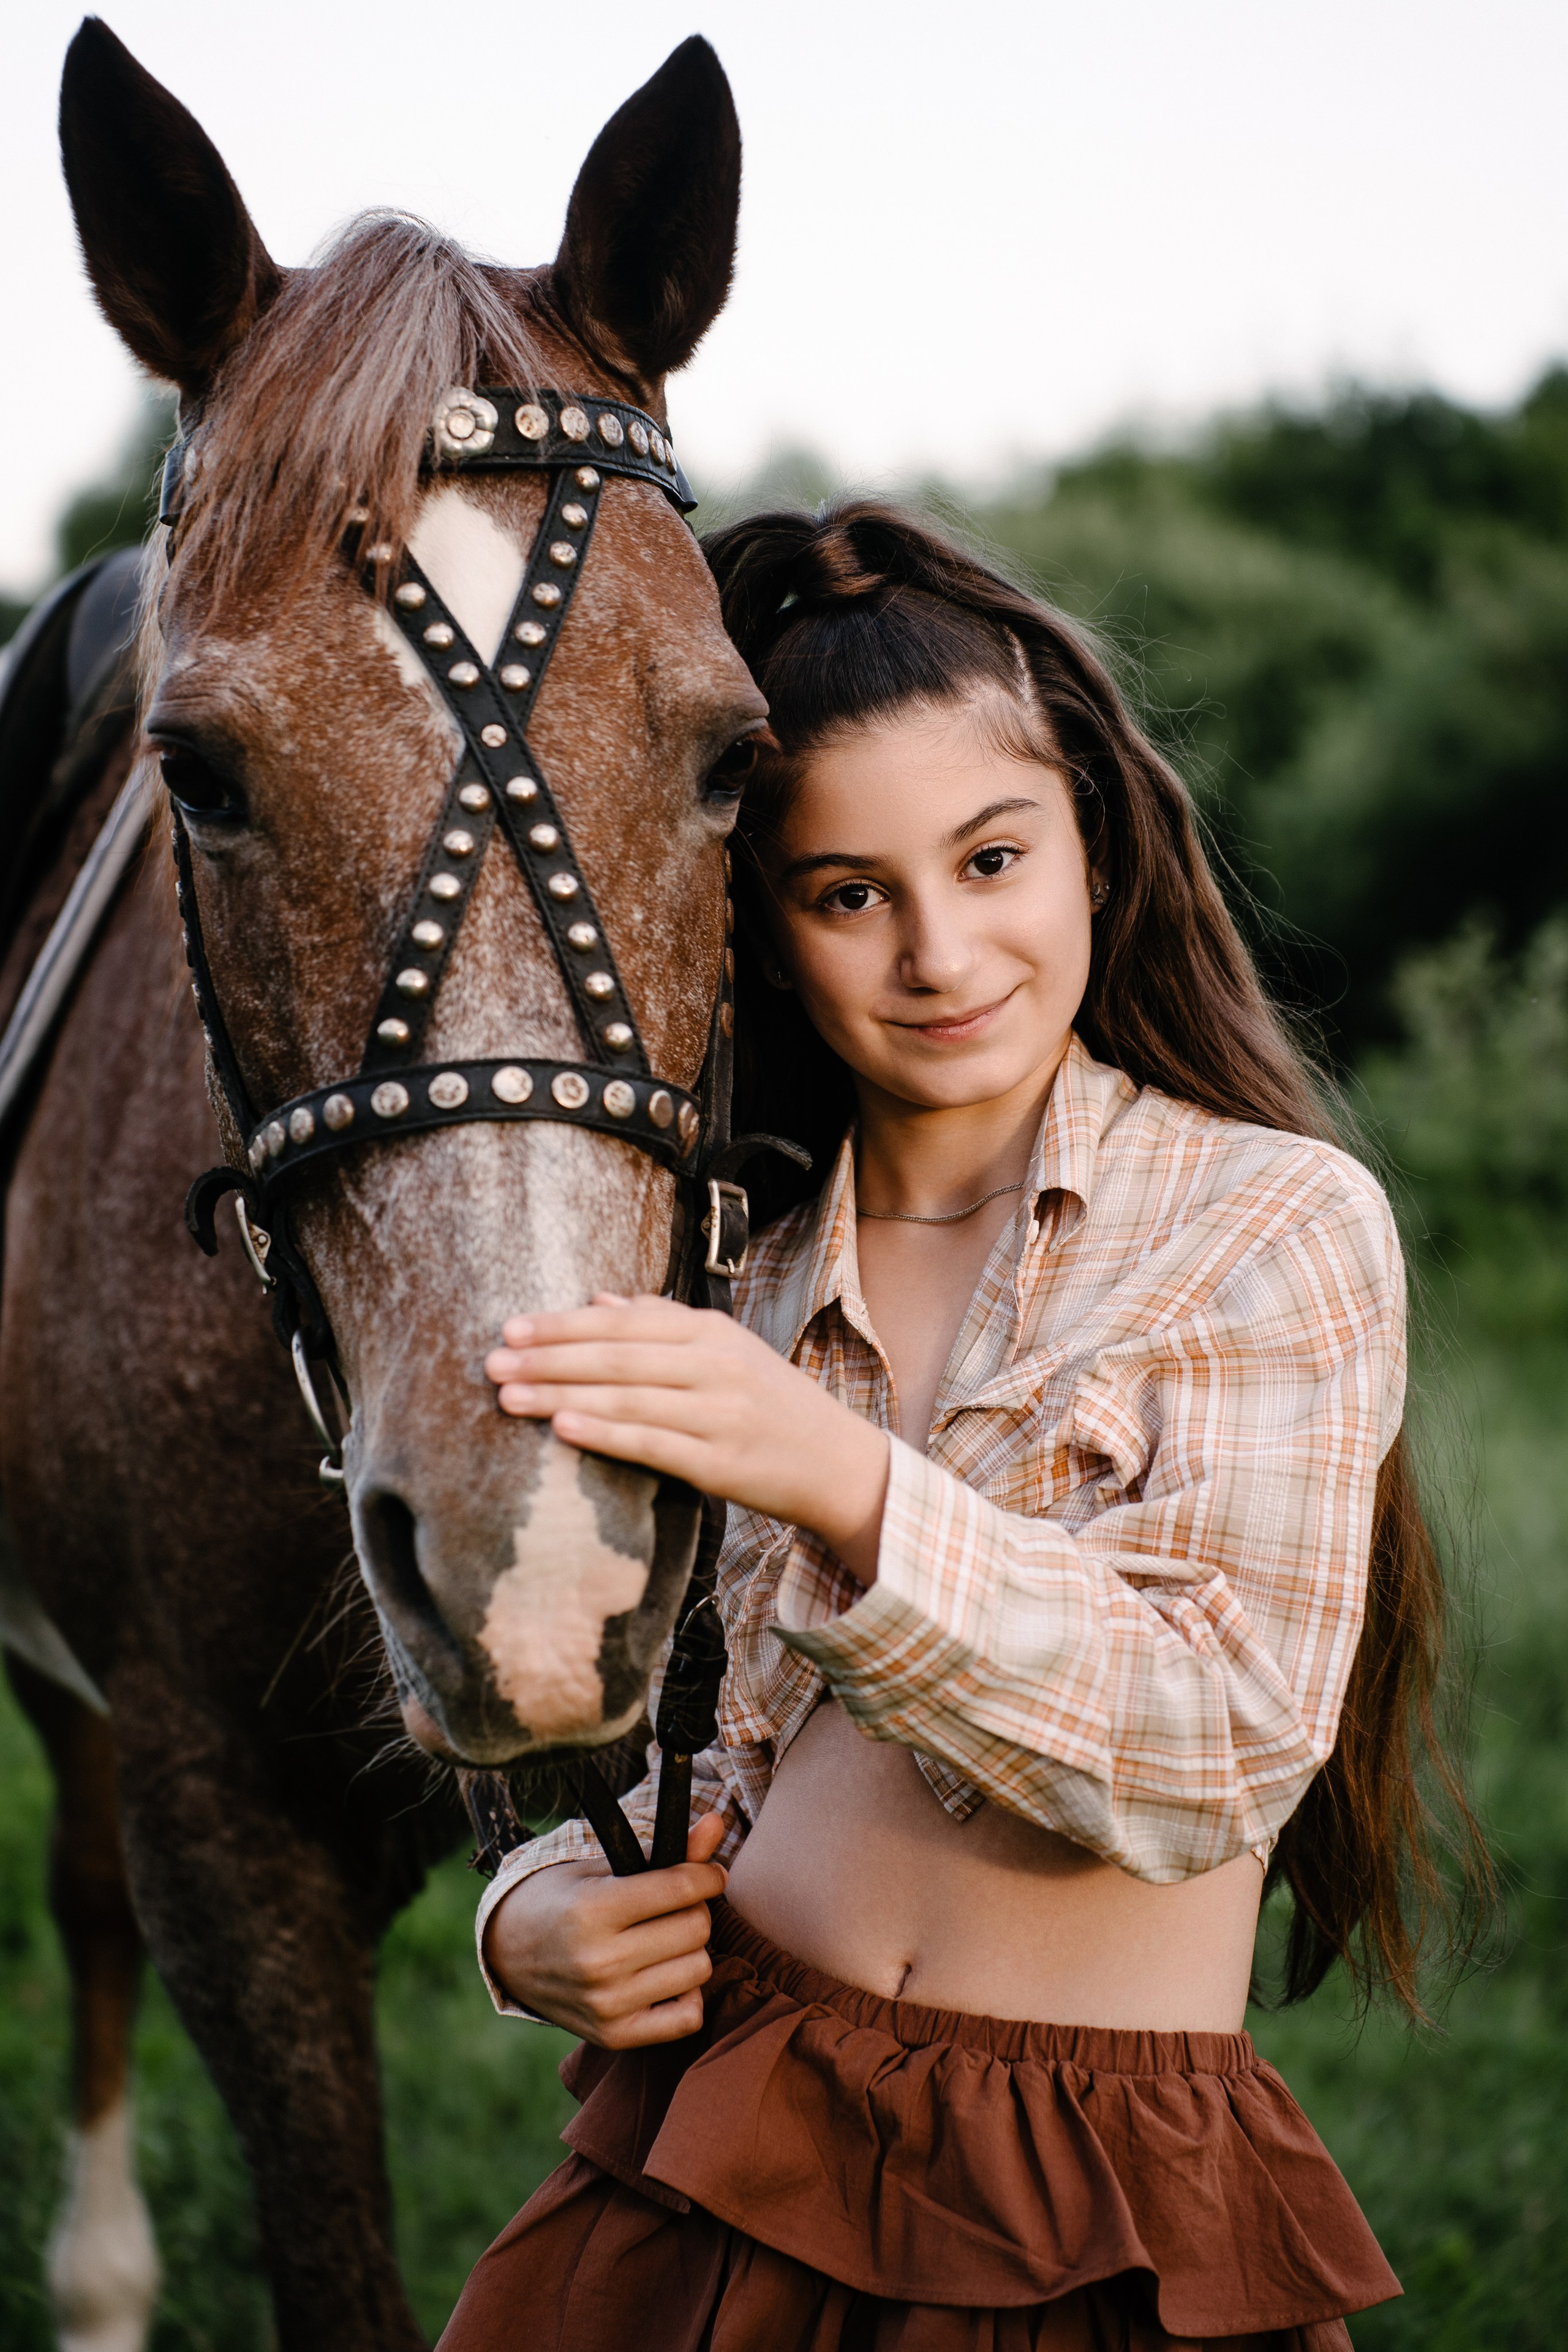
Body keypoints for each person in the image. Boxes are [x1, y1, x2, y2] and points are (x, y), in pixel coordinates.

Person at [439, 502, 1472, 2351]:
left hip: (1080, 2190)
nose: (940, 951)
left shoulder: (1270, 1223)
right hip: (719, 2138)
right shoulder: (729, 1267)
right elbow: (646, 1730)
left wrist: (843, 1479)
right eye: (849, 894)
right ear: (764, 923)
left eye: (992, 858)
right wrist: (534, 1913)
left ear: (1092, 839)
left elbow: (1214, 1744)